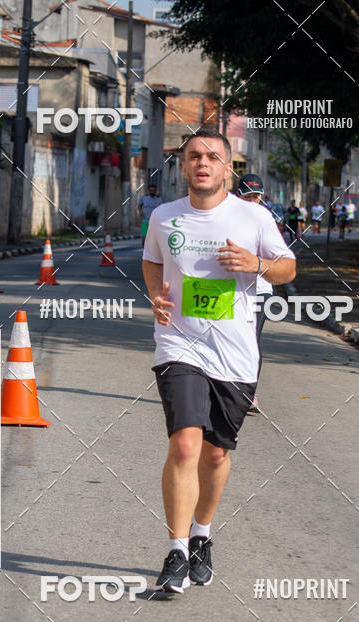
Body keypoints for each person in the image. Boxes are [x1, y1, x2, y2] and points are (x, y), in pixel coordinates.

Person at [142, 130, 296, 593]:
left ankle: (201, 534)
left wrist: (256, 264)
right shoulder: (164, 217)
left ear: (228, 168)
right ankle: (176, 551)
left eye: (212, 156)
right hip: (179, 343)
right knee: (184, 445)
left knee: (214, 452)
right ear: (183, 165)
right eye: (194, 156)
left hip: (234, 351)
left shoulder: (253, 216)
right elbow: (152, 261)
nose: (202, 163)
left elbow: (288, 267)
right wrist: (155, 295)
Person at [236, 173, 279, 413]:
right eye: (248, 196)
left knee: (252, 340)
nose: (253, 201)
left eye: (256, 197)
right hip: (231, 289)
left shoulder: (267, 222)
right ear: (238, 196)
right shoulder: (226, 219)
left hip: (260, 290)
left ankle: (249, 393)